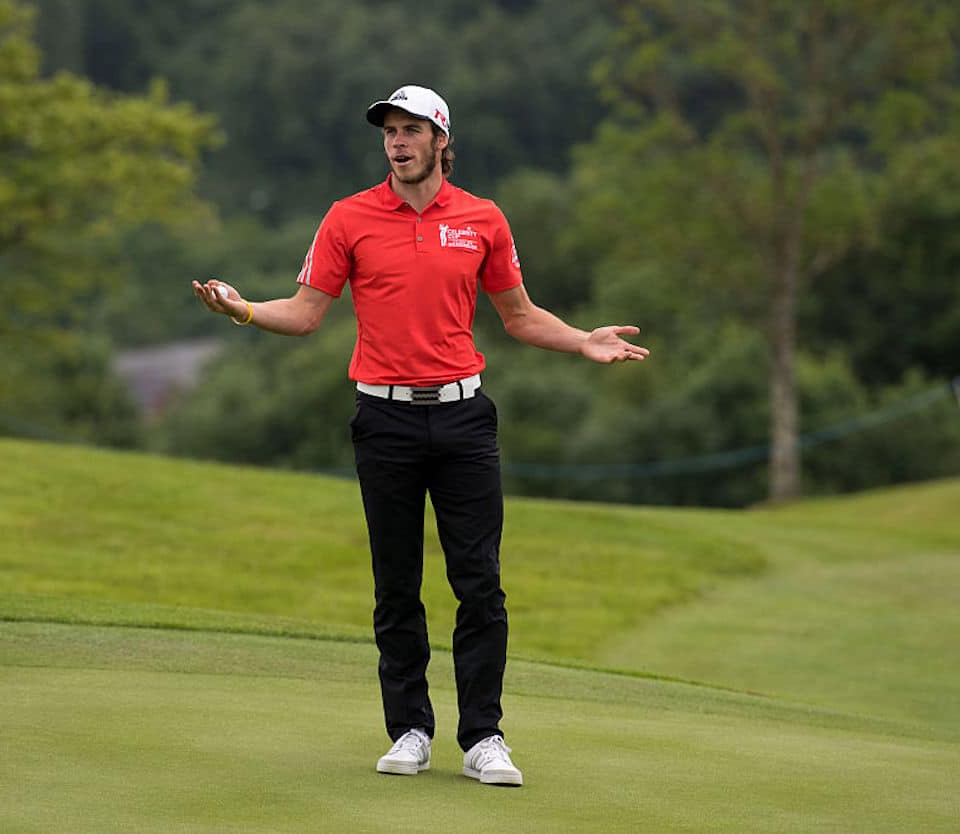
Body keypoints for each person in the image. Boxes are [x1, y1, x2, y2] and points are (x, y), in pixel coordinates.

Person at [192, 84, 648, 787]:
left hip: (465, 417)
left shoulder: (482, 219)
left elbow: (520, 316)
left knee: (480, 583)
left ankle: (483, 737)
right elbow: (308, 311)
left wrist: (580, 340)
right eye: (388, 132)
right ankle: (410, 729)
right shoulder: (349, 218)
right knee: (396, 584)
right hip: (385, 418)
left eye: (410, 130)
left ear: (441, 140)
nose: (397, 142)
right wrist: (245, 310)